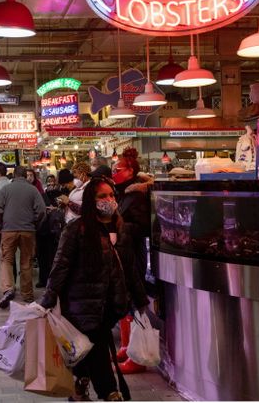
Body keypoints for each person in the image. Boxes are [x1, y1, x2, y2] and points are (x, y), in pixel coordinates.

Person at [40, 177, 148, 401]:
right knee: (98, 348)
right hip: (81, 304)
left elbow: (129, 268)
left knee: (87, 347)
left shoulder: (122, 229)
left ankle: (80, 383)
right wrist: (48, 300)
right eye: (102, 196)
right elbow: (61, 266)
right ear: (91, 201)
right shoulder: (75, 230)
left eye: (111, 195)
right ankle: (110, 393)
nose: (109, 200)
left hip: (110, 305)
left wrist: (140, 300)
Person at [111, 148, 153, 374]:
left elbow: (143, 226)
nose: (114, 173)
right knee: (126, 300)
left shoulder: (136, 193)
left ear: (130, 171)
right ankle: (127, 347)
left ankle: (138, 356)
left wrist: (118, 228)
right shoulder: (123, 192)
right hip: (123, 252)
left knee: (135, 301)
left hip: (133, 253)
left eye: (118, 169)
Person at [0, 165, 46, 308]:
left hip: (8, 230)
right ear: (25, 176)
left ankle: (8, 289)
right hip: (28, 230)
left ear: (14, 175)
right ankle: (27, 294)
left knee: (6, 260)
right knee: (26, 261)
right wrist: (35, 224)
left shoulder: (5, 189)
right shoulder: (33, 190)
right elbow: (41, 211)